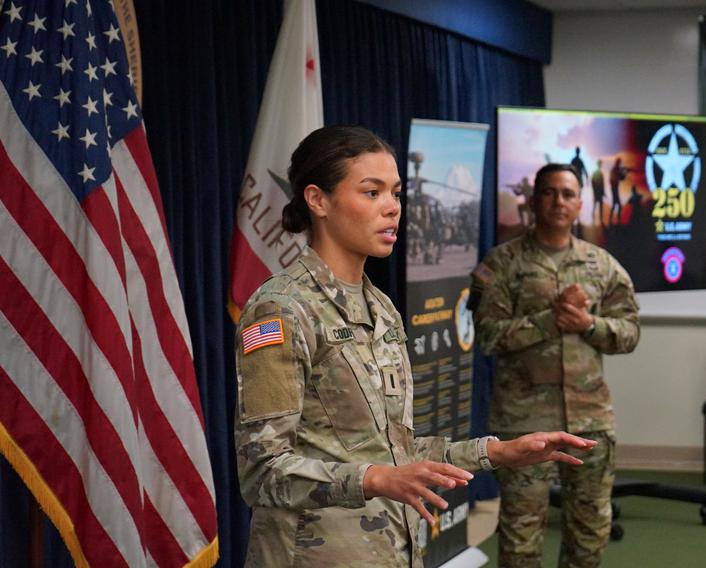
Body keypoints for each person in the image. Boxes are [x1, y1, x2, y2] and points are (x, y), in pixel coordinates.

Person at [234, 126, 598, 567]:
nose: (392, 208)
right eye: (372, 193)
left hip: (393, 550)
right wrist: (374, 480)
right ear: (318, 200)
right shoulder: (282, 310)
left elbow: (396, 454)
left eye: (396, 193)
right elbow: (263, 472)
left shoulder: (381, 308)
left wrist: (499, 452)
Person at [469, 163, 640, 568]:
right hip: (524, 422)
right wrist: (549, 320)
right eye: (548, 192)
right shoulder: (503, 264)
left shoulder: (602, 265)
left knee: (591, 532)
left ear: (580, 203)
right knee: (521, 535)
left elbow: (630, 332)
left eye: (567, 194)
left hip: (590, 421)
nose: (558, 201)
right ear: (533, 200)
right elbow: (488, 336)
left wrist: (589, 324)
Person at [609, 157, 627, 225]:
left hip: (614, 189)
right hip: (614, 189)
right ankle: (617, 221)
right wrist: (624, 172)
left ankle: (613, 220)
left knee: (615, 205)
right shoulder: (615, 170)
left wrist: (624, 172)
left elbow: (621, 178)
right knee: (618, 205)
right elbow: (621, 178)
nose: (620, 164)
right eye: (619, 162)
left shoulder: (615, 169)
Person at [590, 159, 605, 224]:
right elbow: (599, 183)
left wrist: (595, 190)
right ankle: (598, 218)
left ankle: (598, 218)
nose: (601, 165)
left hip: (597, 191)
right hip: (598, 191)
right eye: (600, 164)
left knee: (596, 204)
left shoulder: (597, 173)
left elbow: (594, 182)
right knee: (597, 204)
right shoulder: (599, 173)